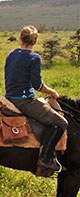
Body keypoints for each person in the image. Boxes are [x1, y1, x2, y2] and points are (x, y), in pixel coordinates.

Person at [4, 25, 68, 177]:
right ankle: (45, 158)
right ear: (34, 41)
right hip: (24, 101)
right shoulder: (34, 58)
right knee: (62, 123)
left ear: (20, 39)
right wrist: (52, 92)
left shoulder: (11, 54)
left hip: (10, 97)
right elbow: (37, 85)